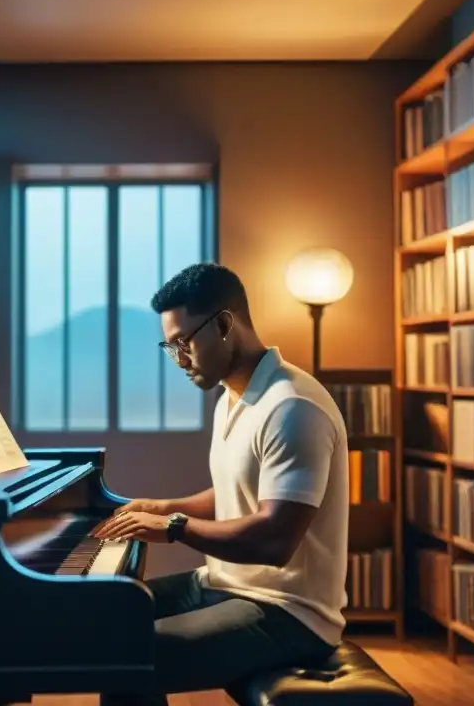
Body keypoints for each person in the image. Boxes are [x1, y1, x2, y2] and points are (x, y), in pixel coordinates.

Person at [93, 261, 349, 705]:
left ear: (225, 324)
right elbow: (242, 492)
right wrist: (164, 505)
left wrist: (174, 526)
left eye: (184, 343)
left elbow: (273, 540)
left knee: (125, 653)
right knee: (111, 615)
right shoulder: (234, 397)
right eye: (168, 347)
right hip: (227, 585)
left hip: (288, 612)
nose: (178, 360)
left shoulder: (292, 408)